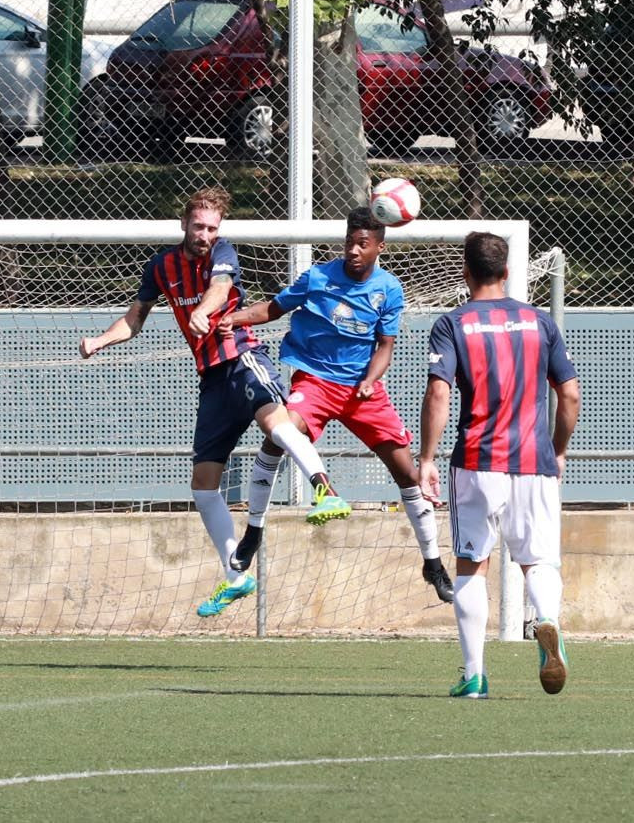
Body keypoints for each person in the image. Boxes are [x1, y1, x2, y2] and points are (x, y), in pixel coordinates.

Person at [79, 186, 345, 618]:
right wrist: (101, 340)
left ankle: (324, 490)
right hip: (211, 380)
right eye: (199, 226)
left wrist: (205, 309)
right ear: (183, 223)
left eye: (212, 228)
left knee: (276, 424)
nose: (205, 234)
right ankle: (236, 576)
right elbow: (135, 318)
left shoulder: (224, 253)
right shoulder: (161, 266)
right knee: (203, 485)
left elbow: (221, 288)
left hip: (241, 358)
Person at [221, 207, 455, 603]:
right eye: (349, 242)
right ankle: (254, 529)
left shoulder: (389, 289)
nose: (353, 250)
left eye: (363, 244)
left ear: (379, 246)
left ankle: (432, 563)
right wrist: (232, 318)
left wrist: (371, 379)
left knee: (407, 472)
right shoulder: (318, 277)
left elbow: (385, 347)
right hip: (314, 380)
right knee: (279, 434)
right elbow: (273, 308)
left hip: (362, 391)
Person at [417, 231, 580, 699]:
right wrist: (559, 448)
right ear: (507, 272)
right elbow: (569, 393)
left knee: (471, 564)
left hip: (477, 462)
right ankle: (546, 620)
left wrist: (427, 458)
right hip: (535, 463)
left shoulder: (453, 324)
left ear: (465, 273)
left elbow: (439, 393)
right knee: (539, 560)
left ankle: (474, 676)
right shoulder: (540, 322)